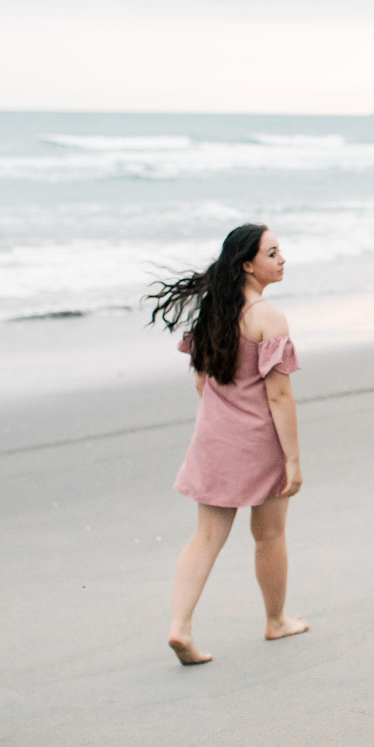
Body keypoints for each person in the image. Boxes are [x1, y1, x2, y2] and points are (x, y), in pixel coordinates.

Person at [146, 224, 308, 666]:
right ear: (247, 265)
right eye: (272, 253)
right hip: (259, 442)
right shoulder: (267, 318)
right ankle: (276, 620)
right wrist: (293, 459)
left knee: (205, 537)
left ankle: (180, 627)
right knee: (269, 534)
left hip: (213, 439)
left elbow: (202, 382)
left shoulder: (214, 312)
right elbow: (279, 396)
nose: (282, 259)